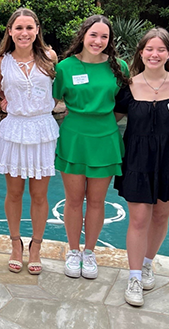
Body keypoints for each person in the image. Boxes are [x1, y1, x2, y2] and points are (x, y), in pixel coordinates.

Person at [113, 28, 169, 306]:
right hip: (136, 161)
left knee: (160, 217)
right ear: (141, 52)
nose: (154, 54)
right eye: (149, 49)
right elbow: (108, 120)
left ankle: (147, 263)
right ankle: (133, 276)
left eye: (160, 50)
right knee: (140, 219)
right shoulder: (128, 86)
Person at [53, 15, 129, 280]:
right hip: (74, 139)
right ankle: (73, 251)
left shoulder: (119, 67)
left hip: (105, 140)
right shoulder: (65, 67)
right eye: (93, 35)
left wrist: (103, 122)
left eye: (104, 36)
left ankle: (89, 252)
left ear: (110, 40)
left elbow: (122, 105)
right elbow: (50, 100)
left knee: (97, 201)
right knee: (73, 201)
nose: (98, 41)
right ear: (83, 35)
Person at [0, 8, 58, 275]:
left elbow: (61, 90)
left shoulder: (49, 57)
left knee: (40, 195)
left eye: (29, 27)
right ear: (10, 31)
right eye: (19, 28)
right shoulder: (1, 61)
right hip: (14, 129)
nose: (24, 33)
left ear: (37, 30)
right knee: (14, 193)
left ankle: (36, 246)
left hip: (42, 130)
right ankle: (15, 243)